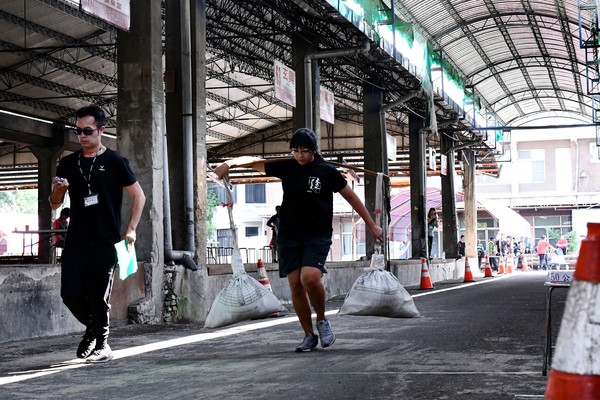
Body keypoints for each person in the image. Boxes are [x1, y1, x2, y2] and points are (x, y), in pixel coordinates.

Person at [214, 128, 383, 352]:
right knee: (295, 284)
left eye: (304, 151)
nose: (300, 155)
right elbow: (254, 161)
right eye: (295, 151)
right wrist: (230, 163)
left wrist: (372, 225)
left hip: (317, 235)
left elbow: (352, 198)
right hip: (289, 235)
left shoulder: (327, 172)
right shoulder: (287, 166)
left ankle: (322, 320)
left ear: (314, 151)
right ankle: (308, 335)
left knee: (310, 277)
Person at [48, 106, 146, 363]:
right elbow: (54, 204)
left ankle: (102, 344)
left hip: (106, 242)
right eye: (78, 131)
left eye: (87, 131)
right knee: (69, 293)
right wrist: (60, 190)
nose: (82, 136)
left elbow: (139, 196)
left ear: (101, 130)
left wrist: (132, 229)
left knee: (98, 295)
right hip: (76, 241)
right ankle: (94, 330)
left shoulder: (115, 162)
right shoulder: (68, 164)